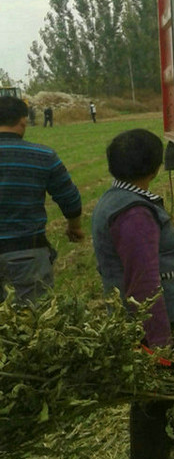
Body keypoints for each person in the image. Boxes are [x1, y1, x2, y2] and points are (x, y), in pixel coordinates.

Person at [91, 129, 174, 459]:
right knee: (152, 397)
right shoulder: (134, 213)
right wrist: (158, 343)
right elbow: (144, 282)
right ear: (154, 166)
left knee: (162, 392)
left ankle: (166, 442)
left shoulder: (121, 198)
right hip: (151, 323)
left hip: (149, 320)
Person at [0, 96, 83, 304]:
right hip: (27, 251)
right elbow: (70, 199)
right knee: (34, 320)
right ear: (23, 121)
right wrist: (74, 227)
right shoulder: (43, 156)